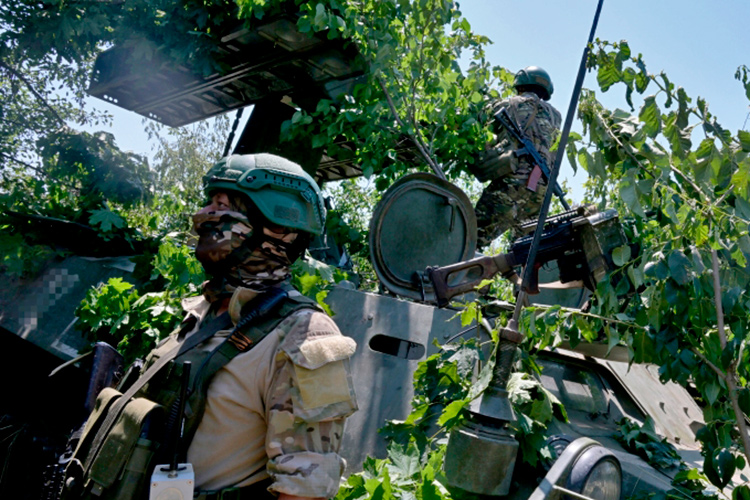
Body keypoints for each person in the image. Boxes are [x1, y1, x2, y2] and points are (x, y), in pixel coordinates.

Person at [178, 153, 358, 500]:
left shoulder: (303, 335)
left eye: (224, 206)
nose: (206, 217)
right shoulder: (206, 311)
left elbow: (303, 492)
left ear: (278, 227)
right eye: (210, 203)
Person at [471, 66, 562, 249]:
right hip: (541, 192)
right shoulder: (556, 117)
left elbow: (476, 124)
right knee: (523, 252)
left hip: (512, 184)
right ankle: (518, 277)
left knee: (469, 236)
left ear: (520, 85)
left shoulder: (507, 105)